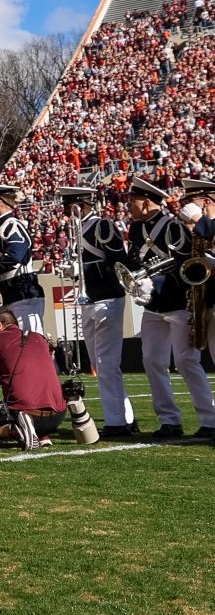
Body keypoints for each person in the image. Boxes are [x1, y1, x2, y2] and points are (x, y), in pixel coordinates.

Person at [123, 176, 213, 440]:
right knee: (152, 360)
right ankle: (169, 420)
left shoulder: (174, 227)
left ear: (147, 202)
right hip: (153, 306)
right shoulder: (135, 229)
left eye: (133, 201)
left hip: (177, 303)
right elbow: (133, 258)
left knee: (186, 361)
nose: (129, 206)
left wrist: (158, 281)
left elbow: (188, 265)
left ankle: (209, 419)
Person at [66, 186, 136, 436]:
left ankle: (117, 422)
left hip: (107, 298)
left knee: (106, 364)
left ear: (80, 205)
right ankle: (126, 416)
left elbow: (118, 261)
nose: (67, 212)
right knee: (99, 363)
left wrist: (81, 268)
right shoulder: (79, 230)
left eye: (69, 206)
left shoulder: (102, 226)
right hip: (91, 300)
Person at [0, 308, 69, 450]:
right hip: (58, 416)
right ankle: (41, 435)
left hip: (26, 414)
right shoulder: (38, 337)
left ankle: (12, 430)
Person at [0, 183, 45, 332]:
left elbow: (16, 254)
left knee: (28, 344)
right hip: (12, 295)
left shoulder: (12, 225)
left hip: (24, 294)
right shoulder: (1, 228)